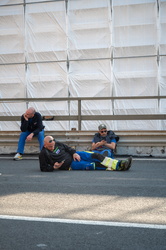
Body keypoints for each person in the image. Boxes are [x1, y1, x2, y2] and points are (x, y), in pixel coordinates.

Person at [39, 135, 132, 172]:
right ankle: (119, 167)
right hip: (71, 164)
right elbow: (43, 168)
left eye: (53, 145)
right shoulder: (43, 153)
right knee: (93, 165)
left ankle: (119, 163)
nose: (52, 148)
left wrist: (74, 153)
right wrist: (54, 167)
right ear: (45, 145)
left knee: (95, 155)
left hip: (75, 155)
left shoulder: (56, 143)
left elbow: (68, 148)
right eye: (50, 146)